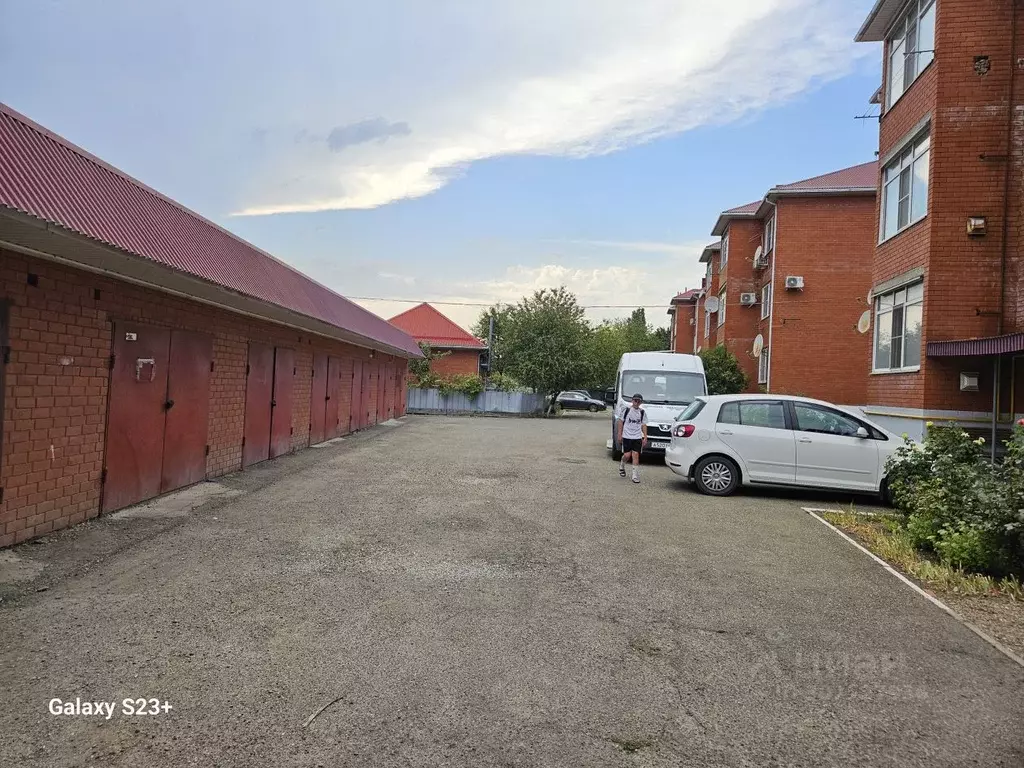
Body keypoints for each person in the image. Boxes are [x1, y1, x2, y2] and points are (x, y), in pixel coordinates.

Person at [618, 393, 648, 483]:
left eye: (639, 401)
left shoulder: (642, 412)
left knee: (635, 455)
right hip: (627, 436)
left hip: (637, 437)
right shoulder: (626, 410)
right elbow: (620, 421)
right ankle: (622, 465)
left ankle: (635, 475)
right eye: (635, 400)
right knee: (627, 455)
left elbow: (644, 424)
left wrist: (645, 437)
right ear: (632, 401)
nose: (637, 402)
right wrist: (619, 434)